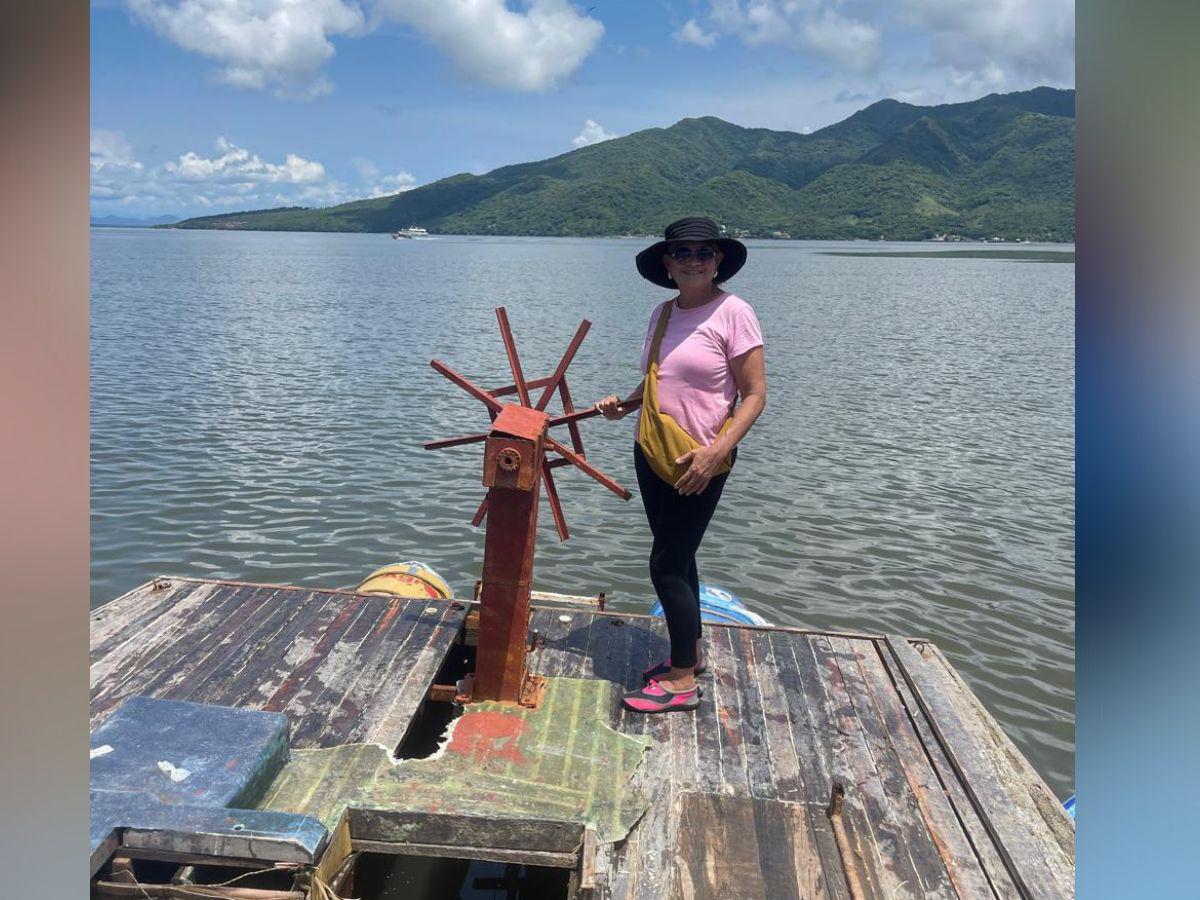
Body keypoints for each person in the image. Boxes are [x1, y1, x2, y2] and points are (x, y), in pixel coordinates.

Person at [596, 217, 766, 713]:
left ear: (719, 261)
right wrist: (624, 405)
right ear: (668, 264)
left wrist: (716, 453)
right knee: (680, 556)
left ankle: (681, 681)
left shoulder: (734, 312)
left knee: (666, 563)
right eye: (684, 253)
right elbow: (657, 380)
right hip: (652, 451)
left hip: (700, 460)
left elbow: (755, 395)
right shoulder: (662, 314)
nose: (695, 260)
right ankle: (686, 655)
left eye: (705, 252)